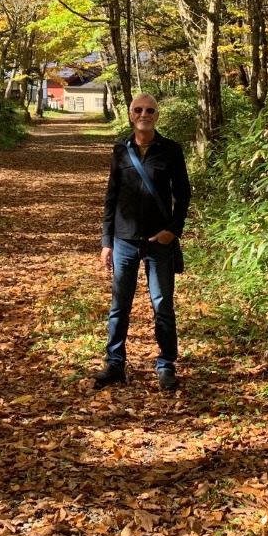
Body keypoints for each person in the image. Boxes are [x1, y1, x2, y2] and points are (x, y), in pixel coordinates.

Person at [94, 93, 191, 392]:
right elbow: (111, 196)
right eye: (138, 110)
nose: (144, 114)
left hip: (159, 242)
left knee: (162, 306)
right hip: (124, 241)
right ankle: (115, 363)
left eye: (149, 110)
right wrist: (107, 241)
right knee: (119, 306)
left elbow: (183, 194)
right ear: (130, 114)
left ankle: (166, 365)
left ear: (157, 115)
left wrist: (173, 230)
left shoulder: (171, 150)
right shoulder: (120, 150)